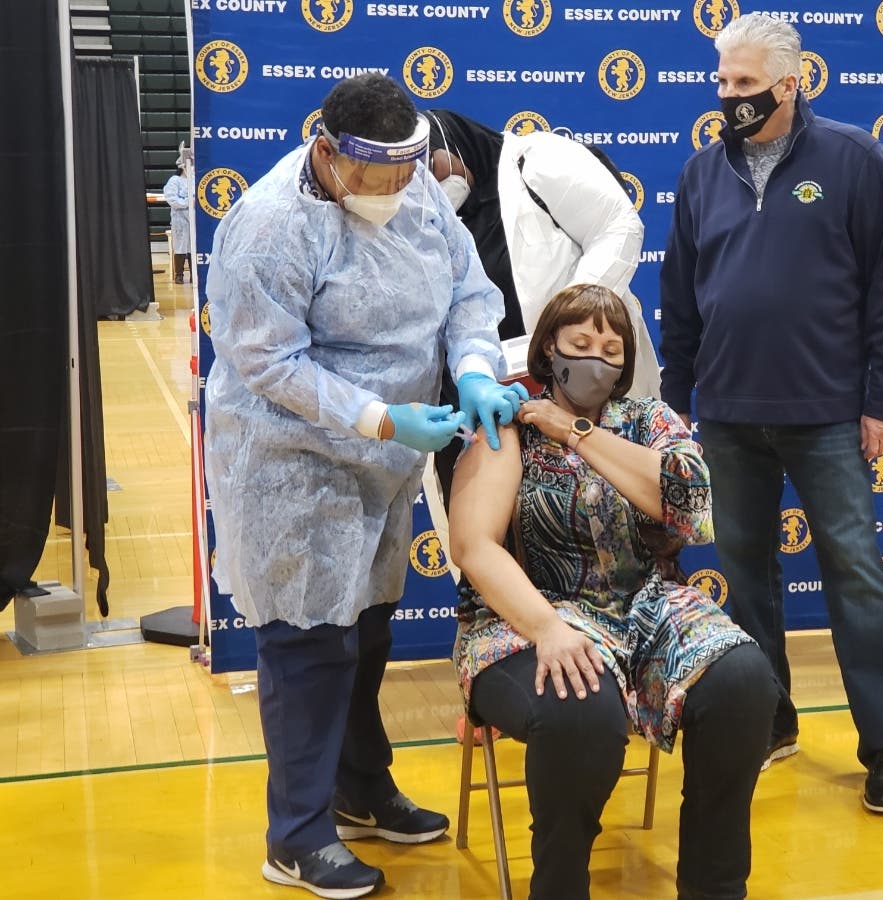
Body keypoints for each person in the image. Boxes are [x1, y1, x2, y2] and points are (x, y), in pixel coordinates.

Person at [203, 74, 526, 899]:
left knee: (367, 628)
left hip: (378, 464)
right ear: (329, 154)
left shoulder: (413, 187)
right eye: (375, 180)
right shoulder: (275, 226)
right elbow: (266, 360)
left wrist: (480, 369)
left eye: (402, 176)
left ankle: (358, 789)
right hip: (293, 462)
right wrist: (381, 417)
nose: (391, 193)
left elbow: (469, 292)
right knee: (309, 642)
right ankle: (296, 837)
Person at [658, 13, 883, 814]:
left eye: (743, 82)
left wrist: (882, 403)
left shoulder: (853, 158)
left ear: (788, 83)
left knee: (856, 582)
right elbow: (681, 293)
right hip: (728, 415)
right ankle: (771, 720)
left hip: (830, 414)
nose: (727, 94)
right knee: (746, 579)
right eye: (722, 80)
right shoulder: (703, 171)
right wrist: (675, 404)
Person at [449, 284, 775, 900]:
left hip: (647, 604)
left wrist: (572, 430)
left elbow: (687, 503)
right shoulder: (510, 423)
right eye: (580, 344)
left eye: (611, 346)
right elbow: (474, 547)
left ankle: (715, 886)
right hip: (528, 615)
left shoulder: (647, 420)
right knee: (580, 708)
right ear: (549, 348)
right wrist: (547, 628)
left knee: (744, 683)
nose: (597, 358)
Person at [424, 108, 661, 399]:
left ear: (452, 142)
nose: (435, 188)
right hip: (495, 394)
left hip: (582, 372)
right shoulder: (427, 218)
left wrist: (567, 323)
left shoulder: (536, 159)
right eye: (420, 185)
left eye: (434, 168)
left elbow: (618, 226)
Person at [163, 165, 191, 284]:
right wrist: (188, 202)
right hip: (180, 218)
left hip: (193, 218)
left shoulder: (195, 179)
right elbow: (172, 199)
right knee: (180, 245)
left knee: (192, 246)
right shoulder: (174, 180)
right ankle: (179, 274)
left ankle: (194, 274)